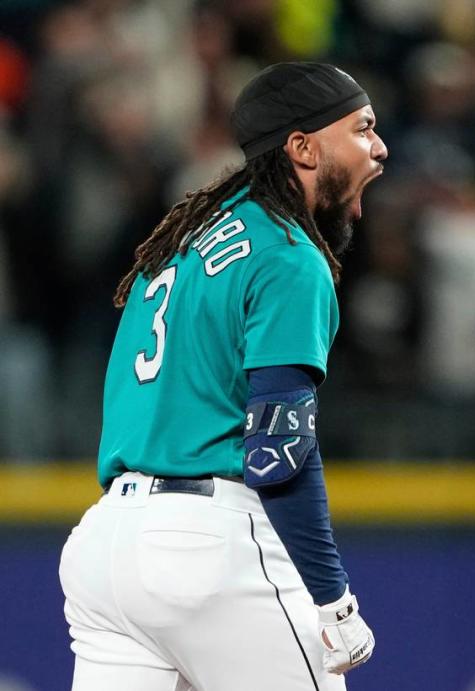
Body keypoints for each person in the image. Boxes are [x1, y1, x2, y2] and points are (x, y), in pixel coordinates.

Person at [58, 62, 388, 691]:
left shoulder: (182, 244)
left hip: (106, 544)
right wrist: (333, 598)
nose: (379, 146)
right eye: (362, 128)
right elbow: (279, 451)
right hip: (205, 545)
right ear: (303, 147)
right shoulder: (288, 253)